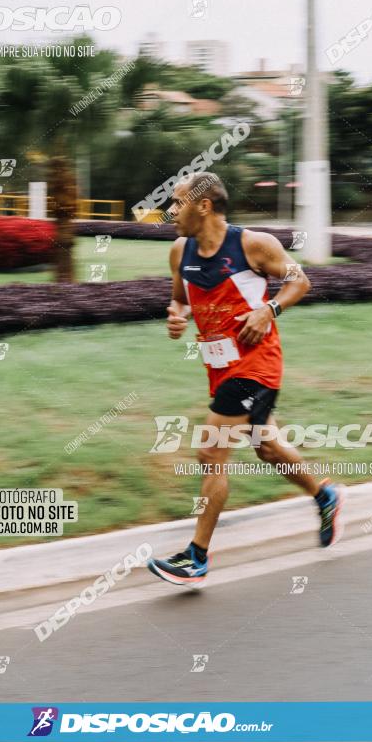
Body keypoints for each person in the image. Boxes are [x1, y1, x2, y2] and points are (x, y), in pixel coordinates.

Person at [147, 172, 343, 586]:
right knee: (267, 448)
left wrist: (268, 310)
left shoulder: (253, 244)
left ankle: (196, 556)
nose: (171, 212)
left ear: (203, 206)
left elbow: (299, 280)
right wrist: (177, 316)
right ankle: (324, 494)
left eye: (178, 203)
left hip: (257, 365)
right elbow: (179, 298)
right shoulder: (180, 250)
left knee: (210, 452)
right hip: (218, 367)